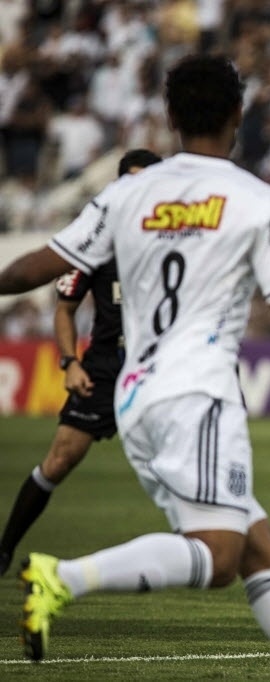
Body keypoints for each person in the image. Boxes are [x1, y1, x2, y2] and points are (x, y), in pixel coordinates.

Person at [0, 54, 270, 681]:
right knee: (218, 556)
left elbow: (35, 268)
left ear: (170, 116)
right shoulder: (251, 198)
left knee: (261, 557)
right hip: (198, 393)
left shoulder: (129, 191)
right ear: (238, 115)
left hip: (134, 394)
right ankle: (64, 577)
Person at [0, 149, 162, 578]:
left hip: (161, 369)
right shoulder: (98, 237)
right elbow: (64, 307)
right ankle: (5, 548)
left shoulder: (177, 237)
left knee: (179, 472)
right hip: (106, 367)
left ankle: (214, 551)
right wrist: (71, 362)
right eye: (130, 180)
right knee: (59, 460)